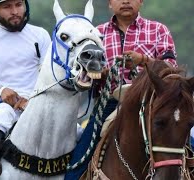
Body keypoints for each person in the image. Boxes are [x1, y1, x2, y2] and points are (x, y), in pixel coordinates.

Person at [65, 0, 177, 179]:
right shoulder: (97, 33)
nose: (125, 1)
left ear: (140, 2)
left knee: (185, 141)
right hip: (111, 102)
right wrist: (101, 74)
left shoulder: (158, 30)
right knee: (79, 159)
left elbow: (172, 69)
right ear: (110, 3)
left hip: (152, 103)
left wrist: (143, 60)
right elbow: (85, 73)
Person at [0, 0, 50, 179]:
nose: (15, 11)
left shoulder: (41, 35)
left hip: (37, 106)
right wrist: (0, 90)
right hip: (2, 108)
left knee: (76, 130)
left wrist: (33, 100)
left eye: (18, 4)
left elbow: (50, 76)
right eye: (7, 7)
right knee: (3, 113)